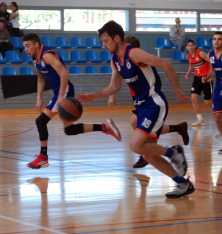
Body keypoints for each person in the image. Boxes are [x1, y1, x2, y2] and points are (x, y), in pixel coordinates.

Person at [77, 21, 194, 198]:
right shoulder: (115, 59)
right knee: (147, 154)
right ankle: (183, 184)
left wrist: (177, 91)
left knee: (136, 145)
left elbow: (166, 64)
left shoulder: (134, 53)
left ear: (117, 38)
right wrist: (93, 95)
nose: (103, 45)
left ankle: (173, 152)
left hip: (154, 103)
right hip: (141, 107)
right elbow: (114, 86)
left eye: (106, 41)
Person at [22, 33, 121, 169]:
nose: (26, 50)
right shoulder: (35, 58)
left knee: (40, 121)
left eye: (27, 46)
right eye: (24, 47)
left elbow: (64, 72)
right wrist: (39, 97)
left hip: (64, 91)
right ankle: (104, 126)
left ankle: (43, 157)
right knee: (69, 130)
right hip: (60, 92)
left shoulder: (46, 55)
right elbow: (40, 77)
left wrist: (62, 95)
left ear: (36, 45)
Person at [108, 35, 189, 169]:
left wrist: (178, 91)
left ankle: (146, 151)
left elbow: (165, 64)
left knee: (136, 123)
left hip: (150, 99)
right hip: (138, 99)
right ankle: (179, 128)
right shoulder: (119, 59)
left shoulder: (140, 59)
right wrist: (111, 95)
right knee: (141, 125)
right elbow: (115, 80)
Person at [203, 32, 222, 154]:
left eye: (219, 39)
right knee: (217, 118)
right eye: (214, 39)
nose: (216, 41)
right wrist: (207, 76)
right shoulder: (210, 55)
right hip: (218, 89)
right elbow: (213, 70)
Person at [185, 39, 212, 126]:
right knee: (193, 99)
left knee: (207, 103)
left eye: (192, 45)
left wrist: (210, 76)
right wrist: (188, 73)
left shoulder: (201, 53)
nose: (190, 47)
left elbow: (212, 63)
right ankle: (200, 120)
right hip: (197, 79)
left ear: (195, 46)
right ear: (186, 47)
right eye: (189, 45)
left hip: (206, 78)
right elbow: (192, 65)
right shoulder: (188, 55)